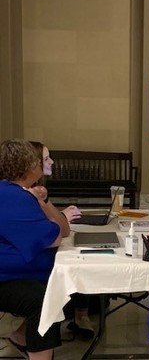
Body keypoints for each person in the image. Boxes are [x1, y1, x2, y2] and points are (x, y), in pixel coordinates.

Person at [0, 139, 67, 360]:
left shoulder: (17, 193)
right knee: (45, 299)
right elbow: (54, 236)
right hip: (6, 279)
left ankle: (22, 337)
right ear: (29, 166)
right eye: (41, 161)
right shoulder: (14, 197)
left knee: (56, 285)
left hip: (14, 274)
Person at [29, 141, 95, 340]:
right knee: (76, 262)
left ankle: (82, 313)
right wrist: (60, 217)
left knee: (79, 256)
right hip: (32, 260)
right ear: (33, 163)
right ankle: (79, 314)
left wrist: (51, 206)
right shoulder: (25, 194)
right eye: (46, 158)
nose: (52, 161)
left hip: (42, 250)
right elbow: (56, 233)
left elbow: (62, 228)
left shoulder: (38, 190)